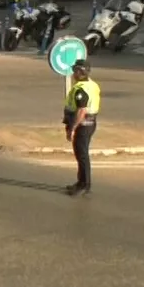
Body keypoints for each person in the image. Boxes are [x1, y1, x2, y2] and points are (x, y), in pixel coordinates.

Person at [63, 60, 100, 197]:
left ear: (80, 72)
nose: (73, 73)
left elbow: (81, 111)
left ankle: (85, 185)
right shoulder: (92, 84)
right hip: (90, 123)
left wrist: (72, 128)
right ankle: (81, 182)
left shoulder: (81, 89)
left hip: (83, 125)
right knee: (80, 154)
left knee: (82, 155)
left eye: (75, 71)